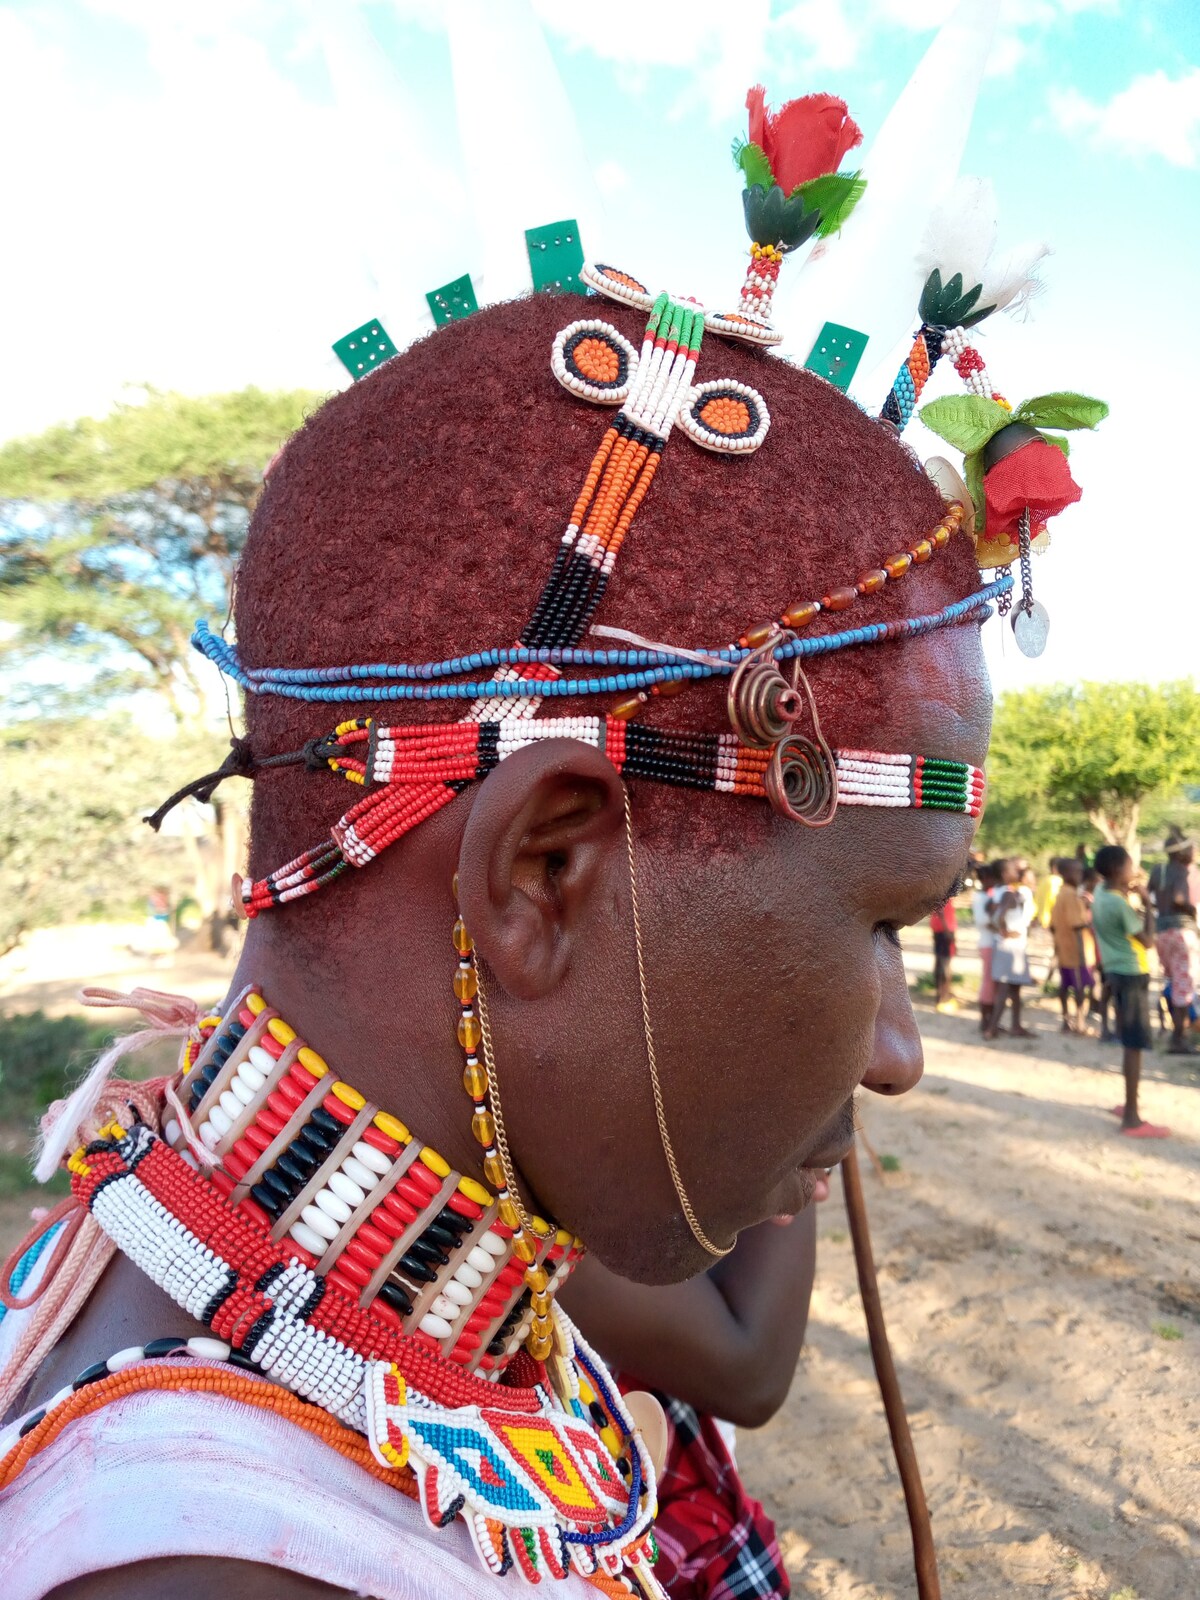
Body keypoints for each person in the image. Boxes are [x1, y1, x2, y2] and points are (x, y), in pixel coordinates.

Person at [0, 72, 1097, 1599]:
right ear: (543, 875)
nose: (899, 1052)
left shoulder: (267, 1323)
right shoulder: (220, 1561)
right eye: (884, 928)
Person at [1092, 846, 1169, 1138]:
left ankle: (1128, 1105)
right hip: (1132, 971)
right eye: (1130, 866)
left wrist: (1127, 890)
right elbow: (1147, 940)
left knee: (1128, 1041)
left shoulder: (1101, 893)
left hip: (1115, 969)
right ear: (1117, 870)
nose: (1134, 870)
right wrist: (1149, 904)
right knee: (1134, 1045)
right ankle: (1133, 1119)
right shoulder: (1119, 904)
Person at [1148, 826, 1198, 1055]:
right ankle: (1179, 1039)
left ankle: (1174, 1034)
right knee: (1184, 986)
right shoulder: (1182, 872)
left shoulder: (1159, 870)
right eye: (1190, 847)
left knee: (1173, 982)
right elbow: (1179, 898)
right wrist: (1192, 912)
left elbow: (1151, 896)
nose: (1194, 850)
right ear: (1180, 853)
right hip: (1181, 932)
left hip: (1162, 932)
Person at [984, 858, 1035, 1040]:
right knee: (1005, 988)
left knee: (1013, 988)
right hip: (1011, 947)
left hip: (1008, 945)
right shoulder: (1008, 893)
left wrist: (998, 928)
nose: (1017, 872)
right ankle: (992, 1028)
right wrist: (1004, 929)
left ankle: (1015, 1024)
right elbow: (999, 915)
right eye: (1014, 869)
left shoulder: (997, 892)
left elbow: (990, 914)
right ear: (1006, 874)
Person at [1050, 858, 1091, 1032]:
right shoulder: (1071, 896)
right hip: (1076, 950)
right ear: (1066, 874)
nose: (1080, 876)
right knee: (1079, 986)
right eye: (1077, 872)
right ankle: (1080, 1021)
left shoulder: (1060, 894)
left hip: (1063, 948)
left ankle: (1066, 1020)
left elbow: (1052, 925)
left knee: (1065, 985)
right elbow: (1077, 924)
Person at [970, 862, 999, 1033]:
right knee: (988, 982)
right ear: (987, 879)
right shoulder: (980, 897)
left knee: (992, 982)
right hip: (987, 943)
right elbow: (983, 921)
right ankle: (985, 1019)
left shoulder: (988, 896)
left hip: (992, 942)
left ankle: (991, 1018)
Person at [929, 897, 958, 1012]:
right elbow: (941, 911)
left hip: (940, 930)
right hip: (944, 931)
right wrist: (947, 931)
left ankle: (940, 996)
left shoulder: (940, 891)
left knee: (940, 963)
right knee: (945, 965)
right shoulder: (944, 891)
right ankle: (943, 997)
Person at [1033, 857, 1062, 931]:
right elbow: (1054, 902)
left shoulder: (1043, 880)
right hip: (1050, 922)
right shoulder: (1056, 881)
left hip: (1039, 920)